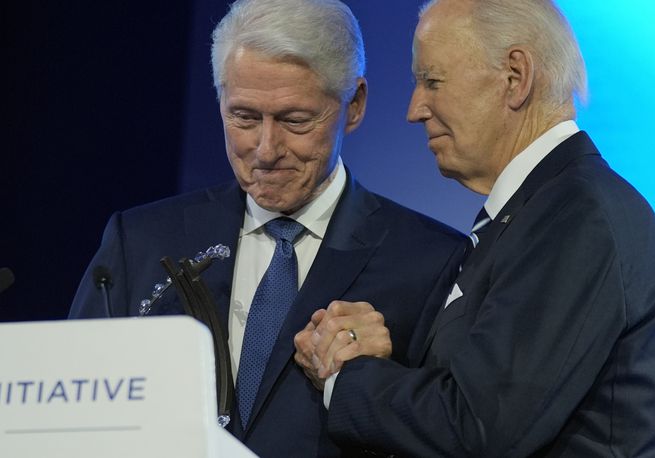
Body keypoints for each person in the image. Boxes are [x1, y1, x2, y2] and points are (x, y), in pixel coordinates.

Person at [68, 1, 465, 456]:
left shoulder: (431, 262)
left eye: (295, 120)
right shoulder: (140, 240)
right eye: (244, 117)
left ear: (353, 106)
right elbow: (73, 417)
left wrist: (376, 378)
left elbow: (449, 435)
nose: (265, 148)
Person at [294, 0, 655, 456]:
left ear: (515, 77)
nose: (414, 109)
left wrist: (345, 373)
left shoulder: (576, 216)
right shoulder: (535, 212)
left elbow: (479, 427)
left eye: (432, 81)